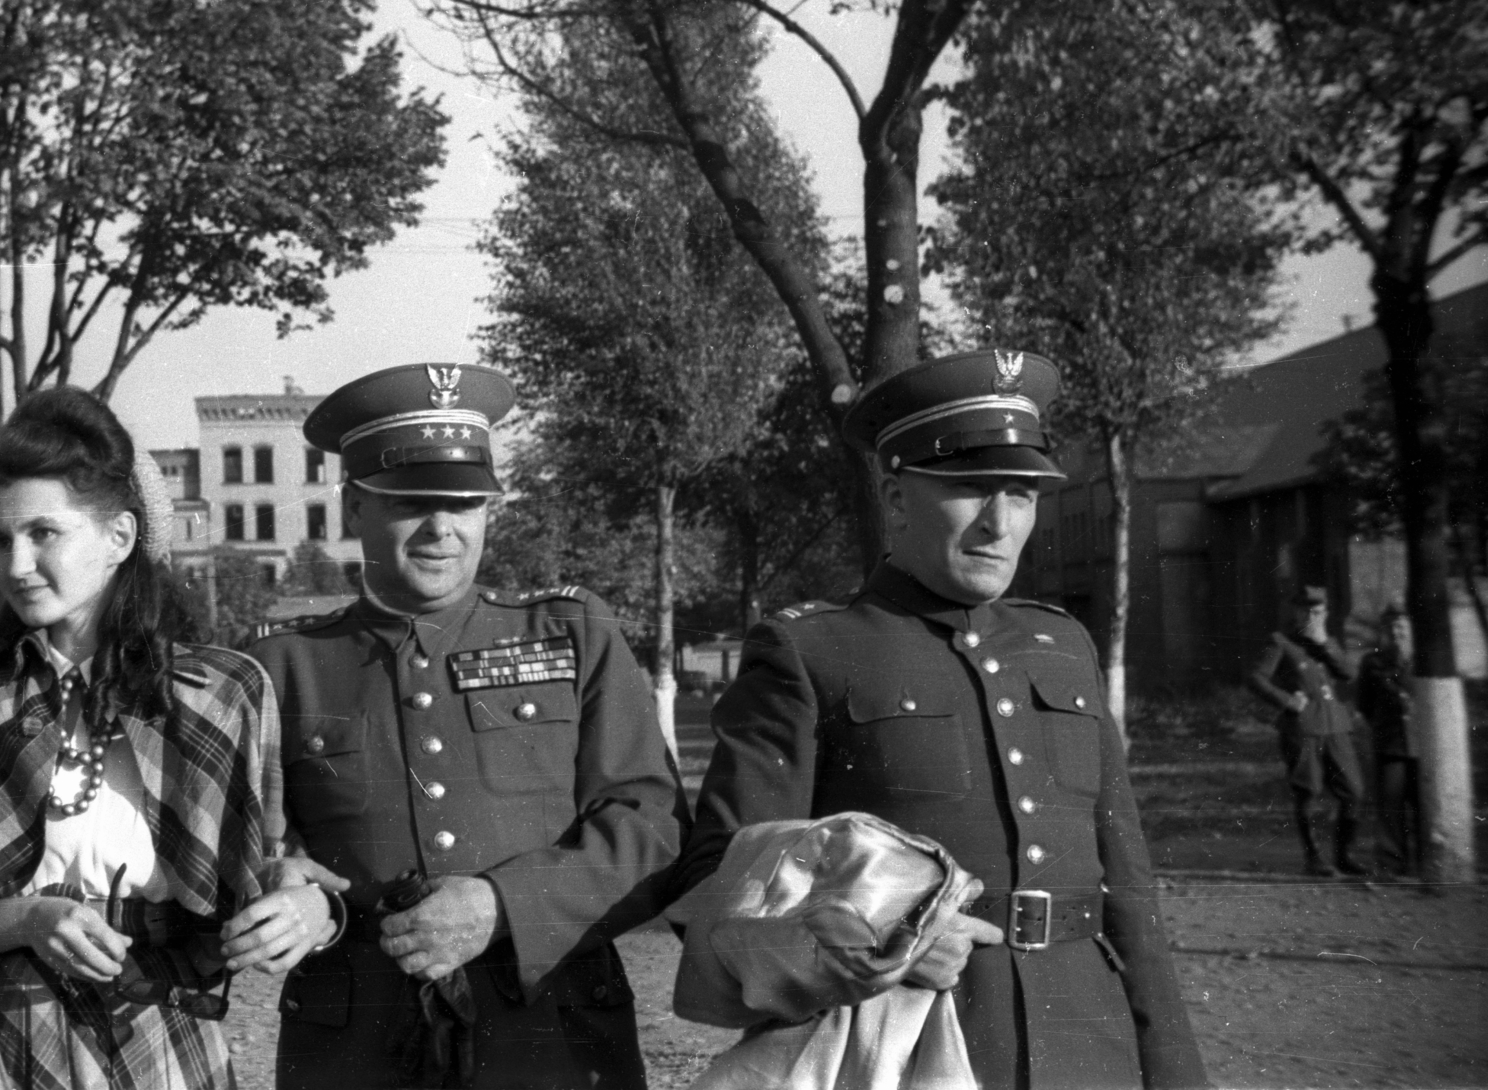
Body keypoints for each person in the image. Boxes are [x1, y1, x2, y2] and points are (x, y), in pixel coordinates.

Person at [676, 350, 1208, 1090]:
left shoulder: (1061, 646)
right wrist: (884, 944)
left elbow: (1131, 890)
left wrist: (1176, 1074)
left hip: (1090, 1044)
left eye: (1021, 494)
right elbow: (722, 882)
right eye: (969, 489)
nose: (1000, 523)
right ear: (896, 500)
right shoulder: (812, 650)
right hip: (910, 1051)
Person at [249, 362, 686, 1089]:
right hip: (359, 1051)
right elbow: (241, 852)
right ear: (354, 507)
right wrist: (280, 883)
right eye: (411, 502)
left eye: (465, 503)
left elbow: (655, 827)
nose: (442, 529)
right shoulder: (280, 665)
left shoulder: (571, 633)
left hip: (552, 1042)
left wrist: (504, 906)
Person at [0, 388, 334, 1089]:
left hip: (168, 1028)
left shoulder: (220, 694)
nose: (18, 564)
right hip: (2, 1036)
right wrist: (29, 919)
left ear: (120, 538)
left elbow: (287, 865)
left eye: (45, 533)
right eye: (1, 540)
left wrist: (303, 905)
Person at [1247, 585, 1367, 877]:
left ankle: (1344, 855)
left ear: (1325, 614)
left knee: (1354, 790)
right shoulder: (1281, 642)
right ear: (1296, 612)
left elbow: (1349, 674)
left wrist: (1324, 642)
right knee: (1308, 792)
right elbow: (1256, 678)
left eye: (1317, 612)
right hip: (1303, 729)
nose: (1310, 617)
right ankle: (1313, 858)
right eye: (1305, 611)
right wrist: (1288, 701)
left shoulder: (1329, 643)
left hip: (1336, 727)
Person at [1357, 604, 1418, 878]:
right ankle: (1393, 865)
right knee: (1390, 807)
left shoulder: (1424, 661)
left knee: (1423, 805)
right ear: (1384, 631)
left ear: (1411, 629)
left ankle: (1426, 862)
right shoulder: (1372, 662)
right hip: (1390, 743)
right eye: (1392, 627)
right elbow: (1365, 704)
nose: (1397, 633)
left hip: (1422, 746)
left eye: (1402, 626)